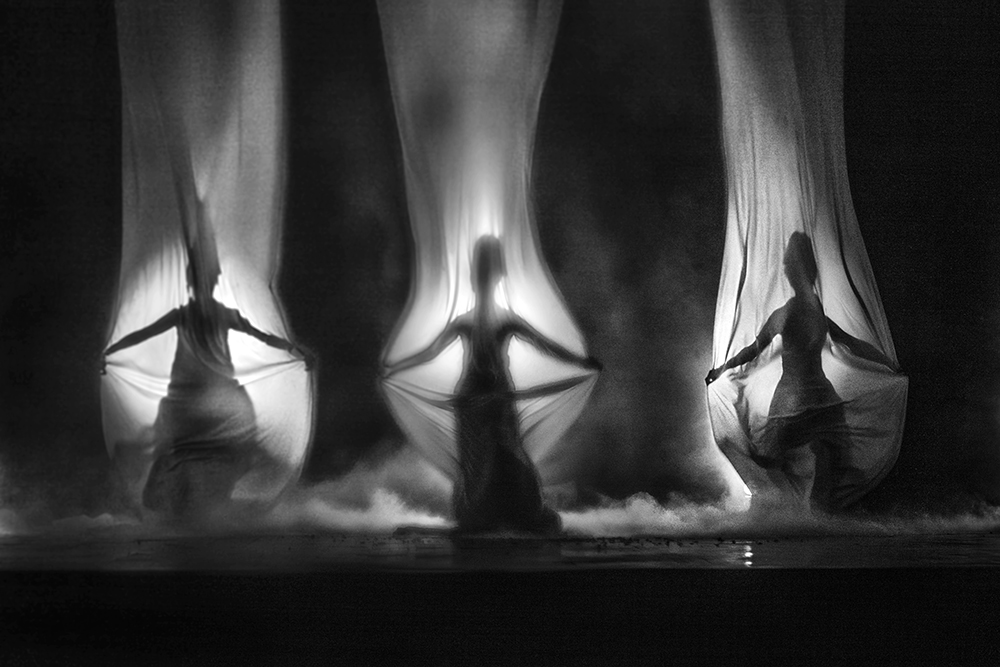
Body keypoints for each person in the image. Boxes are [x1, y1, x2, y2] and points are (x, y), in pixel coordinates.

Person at [383, 236, 600, 534]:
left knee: (489, 457)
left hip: (484, 399)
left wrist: (580, 362)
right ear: (495, 276)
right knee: (488, 457)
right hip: (480, 400)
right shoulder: (480, 320)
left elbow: (544, 345)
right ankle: (496, 515)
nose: (484, 279)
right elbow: (545, 345)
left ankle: (496, 514)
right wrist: (580, 361)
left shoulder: (484, 319)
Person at [103, 210, 310, 517]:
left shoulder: (183, 314)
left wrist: (112, 351)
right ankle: (212, 495)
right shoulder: (224, 314)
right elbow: (264, 338)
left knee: (170, 448)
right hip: (220, 400)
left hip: (184, 403)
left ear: (191, 282)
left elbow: (141, 334)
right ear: (213, 282)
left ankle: (178, 499)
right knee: (236, 443)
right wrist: (295, 351)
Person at [705, 231, 899, 509]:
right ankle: (805, 509)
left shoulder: (797, 312)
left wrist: (886, 363)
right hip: (814, 395)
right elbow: (850, 344)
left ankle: (808, 510)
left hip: (797, 397)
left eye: (788, 265)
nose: (786, 271)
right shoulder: (809, 312)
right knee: (815, 455)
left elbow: (754, 350)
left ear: (798, 271)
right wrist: (886, 363)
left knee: (789, 456)